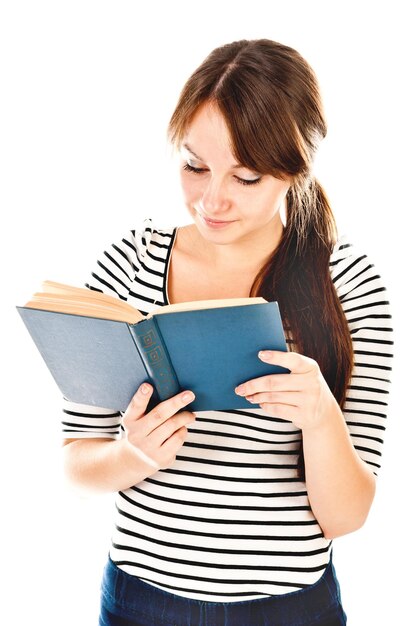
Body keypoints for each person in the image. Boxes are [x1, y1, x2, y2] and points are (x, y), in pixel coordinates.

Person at [62, 39, 393, 626]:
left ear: (296, 170)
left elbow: (346, 516)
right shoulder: (127, 267)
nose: (211, 200)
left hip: (291, 608)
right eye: (194, 166)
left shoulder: (347, 286)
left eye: (245, 177)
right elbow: (76, 460)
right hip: (142, 602)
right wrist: (131, 453)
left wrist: (321, 419)